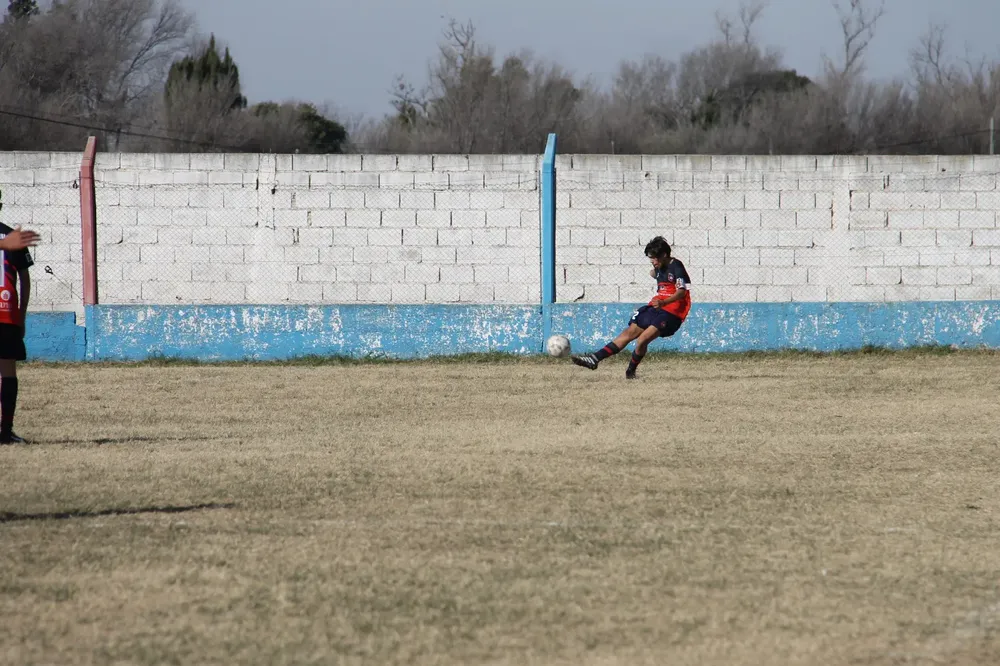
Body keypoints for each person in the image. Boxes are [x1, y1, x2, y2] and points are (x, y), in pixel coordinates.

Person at [572, 236, 691, 379]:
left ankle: (630, 371)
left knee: (642, 340)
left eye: (654, 258)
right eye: (650, 259)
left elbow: (682, 292)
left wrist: (664, 302)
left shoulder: (676, 265)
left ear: (664, 255)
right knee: (628, 333)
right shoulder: (658, 267)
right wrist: (655, 274)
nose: (652, 261)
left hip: (672, 311)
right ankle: (595, 358)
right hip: (656, 307)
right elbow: (656, 275)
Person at [0, 223, 37, 444]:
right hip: (7, 313)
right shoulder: (13, 236)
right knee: (7, 371)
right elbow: (25, 279)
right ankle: (5, 431)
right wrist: (21, 315)